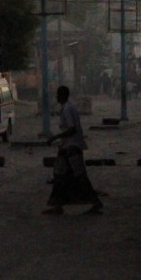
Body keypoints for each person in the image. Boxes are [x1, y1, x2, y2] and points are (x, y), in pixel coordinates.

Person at [44, 85, 103, 215]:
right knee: (60, 175)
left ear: (62, 96)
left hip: (71, 147)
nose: (56, 97)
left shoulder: (67, 109)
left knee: (78, 176)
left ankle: (95, 202)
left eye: (57, 95)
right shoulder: (68, 108)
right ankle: (58, 205)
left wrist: (54, 138)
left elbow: (71, 129)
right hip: (67, 146)